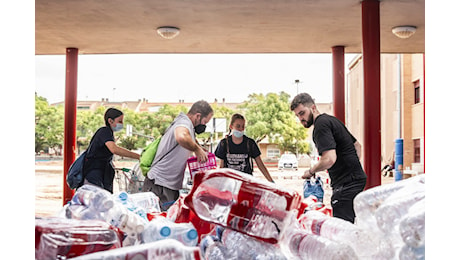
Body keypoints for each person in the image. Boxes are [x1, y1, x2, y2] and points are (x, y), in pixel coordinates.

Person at [290, 93, 367, 223]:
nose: (300, 119)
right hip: (357, 180)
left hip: (345, 186)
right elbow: (357, 146)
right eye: (297, 115)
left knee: (344, 231)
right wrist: (350, 167)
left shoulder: (320, 126)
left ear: (313, 108)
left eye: (302, 113)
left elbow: (329, 159)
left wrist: (311, 171)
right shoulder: (332, 120)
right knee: (356, 225)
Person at [142, 100, 214, 211]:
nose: (204, 126)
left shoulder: (189, 127)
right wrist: (196, 149)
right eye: (204, 122)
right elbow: (181, 136)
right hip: (160, 185)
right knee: (158, 222)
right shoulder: (184, 123)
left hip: (169, 185)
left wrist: (199, 149)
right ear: (198, 116)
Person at [83, 108, 140, 193]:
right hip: (95, 173)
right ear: (110, 121)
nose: (122, 124)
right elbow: (114, 149)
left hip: (102, 172)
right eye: (120, 121)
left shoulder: (108, 133)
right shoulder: (104, 131)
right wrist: (138, 156)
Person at [214, 113, 275, 183]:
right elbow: (221, 166)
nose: (241, 129)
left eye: (243, 126)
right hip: (229, 182)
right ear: (231, 126)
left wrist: (271, 181)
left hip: (246, 182)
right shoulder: (224, 143)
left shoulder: (250, 143)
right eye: (238, 126)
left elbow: (260, 164)